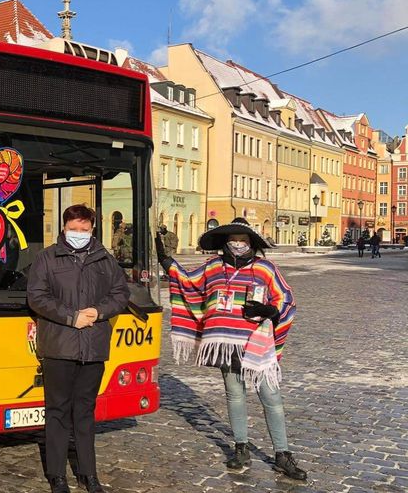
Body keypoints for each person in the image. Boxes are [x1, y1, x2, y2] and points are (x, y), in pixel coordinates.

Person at [156, 217, 306, 481]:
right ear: (226, 243)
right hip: (225, 343)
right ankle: (241, 448)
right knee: (234, 395)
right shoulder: (213, 267)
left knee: (271, 397)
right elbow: (188, 282)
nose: (238, 244)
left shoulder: (265, 269)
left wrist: (270, 310)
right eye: (233, 240)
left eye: (243, 240)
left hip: (257, 344)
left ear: (251, 243)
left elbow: (286, 299)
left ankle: (282, 454)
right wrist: (165, 259)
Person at [27, 204, 131, 493]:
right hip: (59, 346)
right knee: (58, 411)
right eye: (74, 229)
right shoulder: (47, 258)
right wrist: (71, 317)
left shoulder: (104, 260)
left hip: (93, 347)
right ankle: (57, 475)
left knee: (85, 412)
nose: (78, 234)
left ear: (92, 230)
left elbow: (120, 293)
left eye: (84, 230)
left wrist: (99, 312)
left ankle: (89, 474)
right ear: (64, 228)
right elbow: (37, 297)